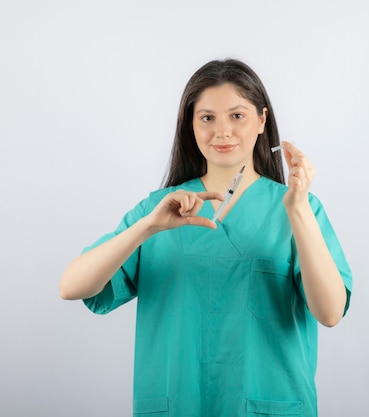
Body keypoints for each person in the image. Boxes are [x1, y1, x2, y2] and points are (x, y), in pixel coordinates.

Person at [59, 58, 352, 417]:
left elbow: (331, 312)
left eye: (237, 116)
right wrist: (147, 227)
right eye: (207, 117)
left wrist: (298, 208)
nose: (222, 131)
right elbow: (71, 286)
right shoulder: (158, 211)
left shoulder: (299, 210)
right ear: (191, 126)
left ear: (262, 120)